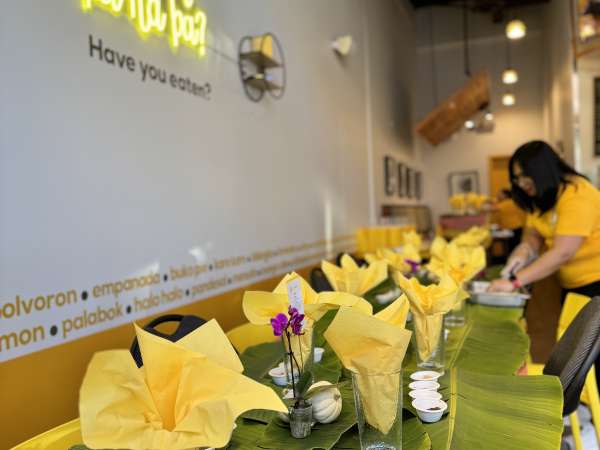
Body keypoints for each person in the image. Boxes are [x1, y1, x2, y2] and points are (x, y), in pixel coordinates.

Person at [489, 140, 600, 301]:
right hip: (571, 284)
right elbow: (533, 233)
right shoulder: (542, 195)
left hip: (595, 283)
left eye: (525, 176)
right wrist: (525, 249)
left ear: (542, 170)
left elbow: (563, 252)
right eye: (517, 178)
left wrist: (514, 281)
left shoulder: (577, 195)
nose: (521, 184)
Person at [493, 188, 526, 253]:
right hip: (517, 227)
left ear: (505, 195)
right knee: (516, 247)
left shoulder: (504, 204)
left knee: (512, 248)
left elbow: (494, 212)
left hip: (512, 228)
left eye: (500, 194)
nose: (498, 195)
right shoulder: (514, 202)